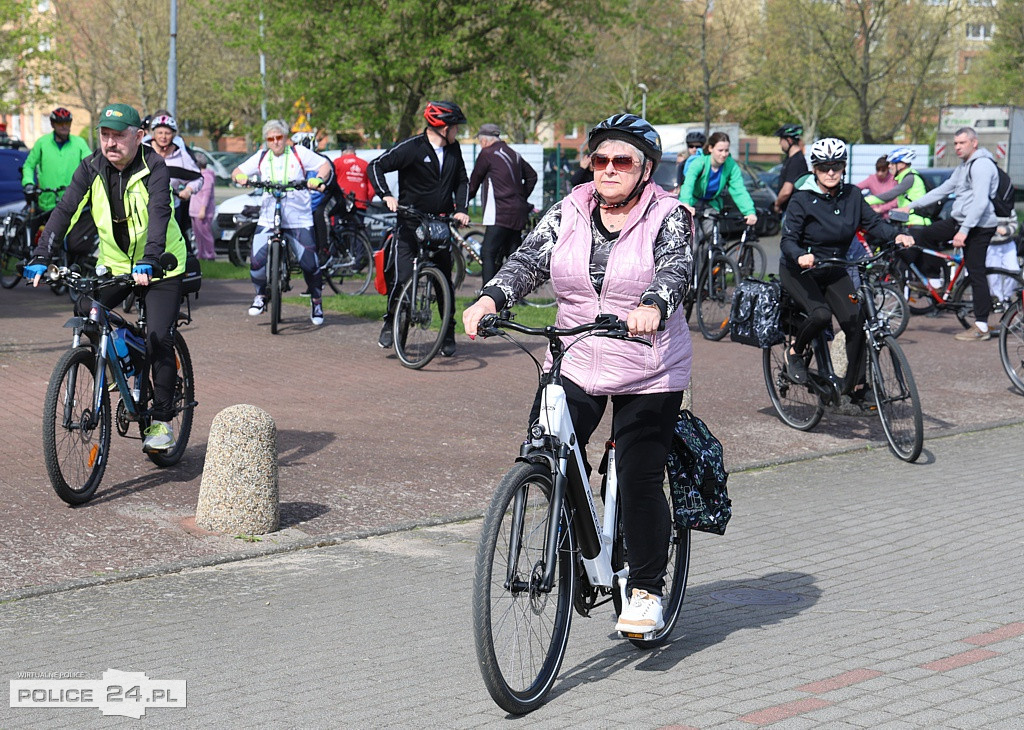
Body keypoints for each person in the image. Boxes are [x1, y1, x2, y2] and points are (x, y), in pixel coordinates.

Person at [463, 114, 694, 634]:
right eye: (600, 159)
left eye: (622, 160)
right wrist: (490, 297)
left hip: (648, 364)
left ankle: (646, 589)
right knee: (545, 447)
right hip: (576, 355)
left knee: (637, 476)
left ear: (645, 168)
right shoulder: (568, 209)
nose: (609, 169)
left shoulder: (670, 214)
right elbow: (527, 260)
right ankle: (573, 543)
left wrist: (654, 304)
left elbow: (676, 267)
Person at [24, 102, 189, 453]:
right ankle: (120, 362)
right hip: (115, 265)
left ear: (139, 136)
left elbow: (159, 213)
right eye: (105, 135)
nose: (111, 143)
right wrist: (41, 256)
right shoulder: (91, 167)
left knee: (159, 336)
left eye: (119, 136)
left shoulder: (154, 166)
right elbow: (66, 209)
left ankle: (160, 421)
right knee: (86, 309)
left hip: (161, 264)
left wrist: (150, 259)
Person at [779, 138, 914, 404]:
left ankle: (854, 386)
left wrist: (897, 236)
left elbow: (873, 224)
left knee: (856, 323)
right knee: (820, 315)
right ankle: (794, 352)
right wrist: (800, 256)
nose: (831, 172)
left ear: (843, 167)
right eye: (824, 167)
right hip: (800, 270)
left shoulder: (852, 195)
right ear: (815, 169)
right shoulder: (802, 199)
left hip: (835, 267)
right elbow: (787, 241)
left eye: (837, 166)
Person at [367, 100, 471, 356]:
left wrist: (462, 209)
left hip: (439, 225)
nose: (457, 131)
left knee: (443, 281)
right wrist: (386, 195)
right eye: (455, 127)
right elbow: (376, 166)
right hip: (410, 223)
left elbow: (462, 181)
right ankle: (391, 323)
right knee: (401, 280)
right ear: (442, 127)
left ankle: (447, 333)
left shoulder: (454, 150)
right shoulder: (412, 148)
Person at [896, 127, 999, 341]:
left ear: (974, 143)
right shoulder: (964, 167)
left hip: (979, 226)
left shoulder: (982, 166)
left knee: (975, 271)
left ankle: (981, 326)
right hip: (960, 220)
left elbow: (980, 203)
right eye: (955, 143)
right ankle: (934, 280)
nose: (958, 147)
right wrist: (911, 206)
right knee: (925, 234)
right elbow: (942, 190)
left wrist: (964, 231)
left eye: (962, 143)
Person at [231, 119, 332, 327]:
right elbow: (236, 171)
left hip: (298, 217)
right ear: (266, 140)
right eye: (271, 138)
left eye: (279, 138)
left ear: (285, 138)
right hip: (269, 216)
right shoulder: (261, 157)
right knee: (256, 262)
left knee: (309, 263)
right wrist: (241, 177)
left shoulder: (299, 154)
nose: (275, 142)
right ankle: (260, 296)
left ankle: (316, 301)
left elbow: (324, 165)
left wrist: (318, 179)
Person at [468, 123, 538, 285]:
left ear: (484, 140)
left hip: (499, 212)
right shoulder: (514, 154)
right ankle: (514, 295)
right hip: (518, 212)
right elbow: (532, 176)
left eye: (479, 141)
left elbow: (474, 183)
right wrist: (520, 197)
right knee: (512, 254)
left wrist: (460, 206)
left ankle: (486, 298)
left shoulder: (487, 154)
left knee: (488, 253)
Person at [677, 131, 757, 243]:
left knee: (715, 240)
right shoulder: (700, 162)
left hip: (711, 204)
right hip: (693, 203)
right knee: (693, 243)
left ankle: (715, 258)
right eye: (720, 150)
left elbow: (738, 189)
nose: (724, 154)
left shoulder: (730, 165)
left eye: (726, 150)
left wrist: (749, 212)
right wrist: (685, 203)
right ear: (710, 148)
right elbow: (688, 184)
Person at [21, 108, 91, 231]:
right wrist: (28, 183)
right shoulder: (42, 143)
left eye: (67, 123)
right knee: (41, 239)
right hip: (46, 203)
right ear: (52, 124)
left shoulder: (79, 143)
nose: (64, 126)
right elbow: (29, 166)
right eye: (60, 123)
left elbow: (91, 164)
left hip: (72, 202)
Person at [146, 113, 202, 244]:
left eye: (167, 133)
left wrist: (188, 190)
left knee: (170, 244)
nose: (163, 137)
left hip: (171, 209)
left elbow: (197, 178)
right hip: (143, 207)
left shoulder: (182, 156)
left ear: (174, 135)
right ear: (153, 134)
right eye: (160, 133)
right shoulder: (144, 151)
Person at [772, 124, 807, 215]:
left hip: (792, 211)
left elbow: (787, 191)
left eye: (781, 140)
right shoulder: (790, 159)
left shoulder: (796, 161)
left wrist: (777, 203)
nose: (780, 143)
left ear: (789, 140)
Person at [190, 153, 217, 260]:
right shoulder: (196, 176)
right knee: (198, 235)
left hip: (202, 212)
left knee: (205, 235)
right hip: (194, 211)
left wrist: (203, 209)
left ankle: (210, 255)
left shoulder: (206, 177)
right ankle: (201, 255)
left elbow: (206, 194)